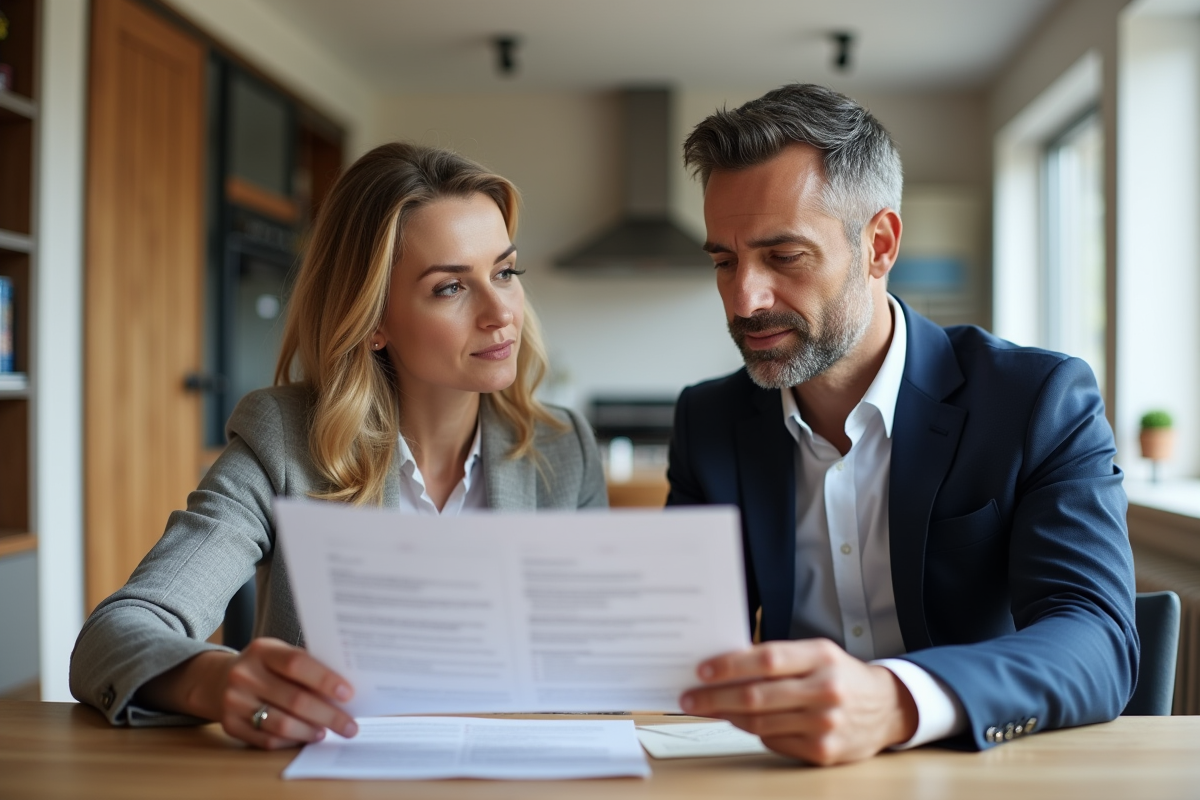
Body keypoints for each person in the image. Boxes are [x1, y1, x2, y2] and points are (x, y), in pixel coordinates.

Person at [70, 143, 607, 749]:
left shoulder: (564, 449)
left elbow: (591, 662)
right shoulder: (284, 442)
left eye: (505, 273)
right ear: (374, 320)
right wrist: (217, 680)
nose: (500, 312)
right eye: (451, 287)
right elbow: (114, 635)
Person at [667, 84, 1137, 765]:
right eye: (723, 260)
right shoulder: (708, 421)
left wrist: (896, 699)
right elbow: (687, 645)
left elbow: (1095, 637)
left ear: (879, 245)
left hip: (980, 772)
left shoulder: (1036, 400)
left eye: (784, 256)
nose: (745, 298)